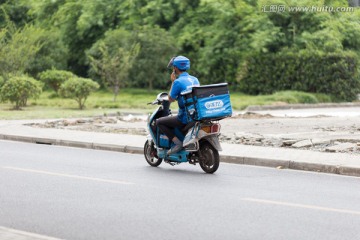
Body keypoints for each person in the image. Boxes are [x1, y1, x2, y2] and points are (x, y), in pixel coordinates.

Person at [156, 56, 200, 154]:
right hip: (196, 115)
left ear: (175, 68)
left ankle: (177, 143)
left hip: (185, 118)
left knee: (159, 122)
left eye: (173, 67)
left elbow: (170, 99)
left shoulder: (177, 82)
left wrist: (172, 81)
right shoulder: (195, 79)